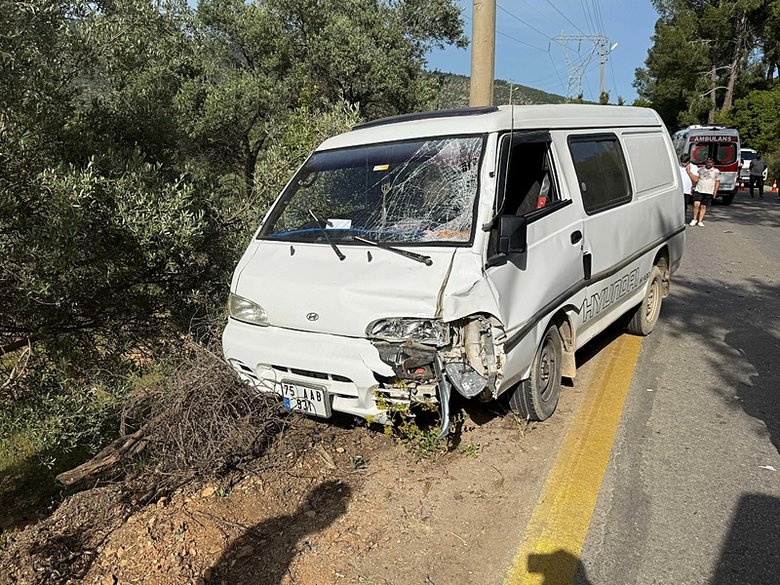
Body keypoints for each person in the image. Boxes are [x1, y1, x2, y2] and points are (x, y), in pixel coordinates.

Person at [690, 157, 720, 227]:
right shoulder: (700, 170)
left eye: (710, 162)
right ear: (705, 162)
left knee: (703, 206)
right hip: (699, 189)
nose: (709, 163)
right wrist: (693, 187)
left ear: (713, 163)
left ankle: (700, 221)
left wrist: (715, 191)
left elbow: (717, 181)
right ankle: (694, 219)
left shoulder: (716, 171)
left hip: (709, 191)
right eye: (708, 162)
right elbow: (696, 179)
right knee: (696, 204)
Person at [679, 153, 699, 222]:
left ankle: (681, 221)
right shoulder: (678, 166)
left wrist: (689, 172)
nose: (683, 164)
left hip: (686, 191)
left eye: (685, 162)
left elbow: (696, 179)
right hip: (678, 190)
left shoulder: (694, 167)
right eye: (682, 162)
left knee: (684, 207)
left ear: (688, 161)